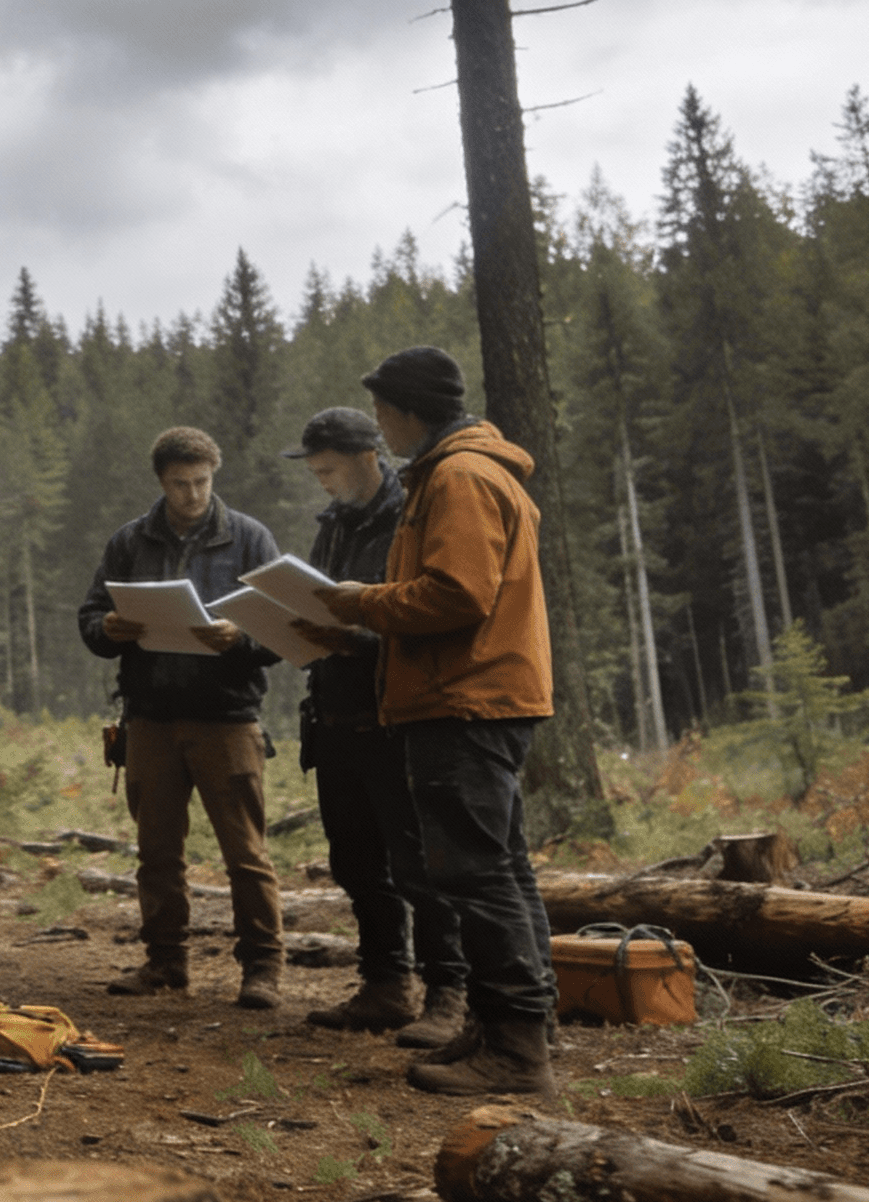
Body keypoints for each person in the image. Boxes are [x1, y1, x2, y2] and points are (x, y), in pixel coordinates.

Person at [317, 345, 559, 1095]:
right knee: (500, 868)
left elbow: (458, 594)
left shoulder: (458, 477)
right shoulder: (462, 472)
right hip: (476, 696)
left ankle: (518, 1050)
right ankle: (510, 1024)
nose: (380, 425)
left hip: (465, 700)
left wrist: (362, 602)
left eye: (382, 411)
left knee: (478, 875)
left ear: (406, 410)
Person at [79, 427, 287, 1009]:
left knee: (245, 854)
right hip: (150, 719)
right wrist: (107, 629)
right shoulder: (130, 542)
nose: (193, 494)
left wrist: (239, 639)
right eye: (180, 484)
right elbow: (92, 616)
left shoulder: (250, 538)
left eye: (201, 482)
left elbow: (280, 630)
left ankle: (263, 968)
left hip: (227, 718)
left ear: (214, 476)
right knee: (157, 853)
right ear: (161, 482)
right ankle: (165, 961)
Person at [283, 407, 467, 1047]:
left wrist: (358, 640)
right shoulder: (332, 524)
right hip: (334, 714)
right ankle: (385, 983)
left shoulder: (411, 516)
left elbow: (425, 612)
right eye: (315, 473)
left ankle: (449, 991)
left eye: (329, 470)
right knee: (356, 862)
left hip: (394, 716)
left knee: (419, 865)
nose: (322, 482)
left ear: (367, 457)